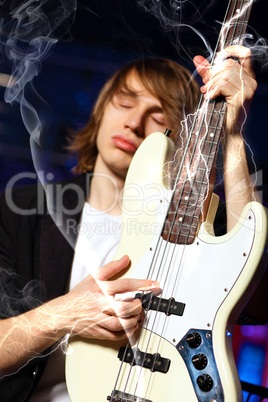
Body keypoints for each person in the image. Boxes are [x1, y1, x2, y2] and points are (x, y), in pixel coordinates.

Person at [0, 46, 267, 401]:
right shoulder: (23, 208)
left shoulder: (200, 226)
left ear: (186, 136)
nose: (134, 122)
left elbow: (258, 299)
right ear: (101, 108)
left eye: (159, 116)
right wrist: (66, 313)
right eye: (125, 102)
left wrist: (232, 131)